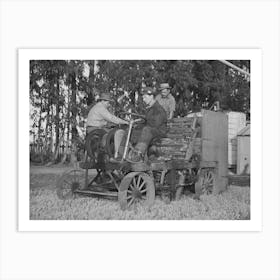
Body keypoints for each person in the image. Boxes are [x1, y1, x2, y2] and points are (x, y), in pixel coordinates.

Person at [126, 87, 167, 163]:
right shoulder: (149, 109)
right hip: (151, 131)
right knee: (133, 129)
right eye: (143, 97)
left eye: (145, 97)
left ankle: (138, 154)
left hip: (159, 133)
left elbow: (155, 124)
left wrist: (144, 122)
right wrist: (137, 125)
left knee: (146, 129)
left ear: (151, 96)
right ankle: (126, 153)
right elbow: (146, 121)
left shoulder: (159, 109)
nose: (144, 99)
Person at [86, 92, 128, 159]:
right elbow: (111, 118)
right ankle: (113, 155)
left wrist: (110, 124)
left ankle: (110, 154)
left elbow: (104, 121)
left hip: (93, 129)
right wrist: (125, 122)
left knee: (111, 130)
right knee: (114, 134)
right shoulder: (100, 108)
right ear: (103, 101)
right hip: (95, 129)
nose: (108, 105)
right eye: (108, 103)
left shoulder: (97, 107)